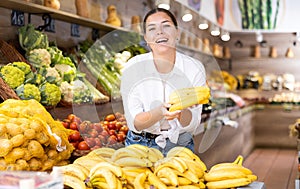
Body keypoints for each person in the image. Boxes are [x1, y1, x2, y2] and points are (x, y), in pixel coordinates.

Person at [120, 8, 206, 155]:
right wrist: (160, 112)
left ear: (177, 32)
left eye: (166, 25)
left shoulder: (194, 68)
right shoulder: (133, 67)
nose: (159, 31)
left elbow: (192, 125)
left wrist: (181, 113)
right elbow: (135, 123)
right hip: (140, 145)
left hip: (180, 145)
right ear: (146, 38)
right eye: (152, 28)